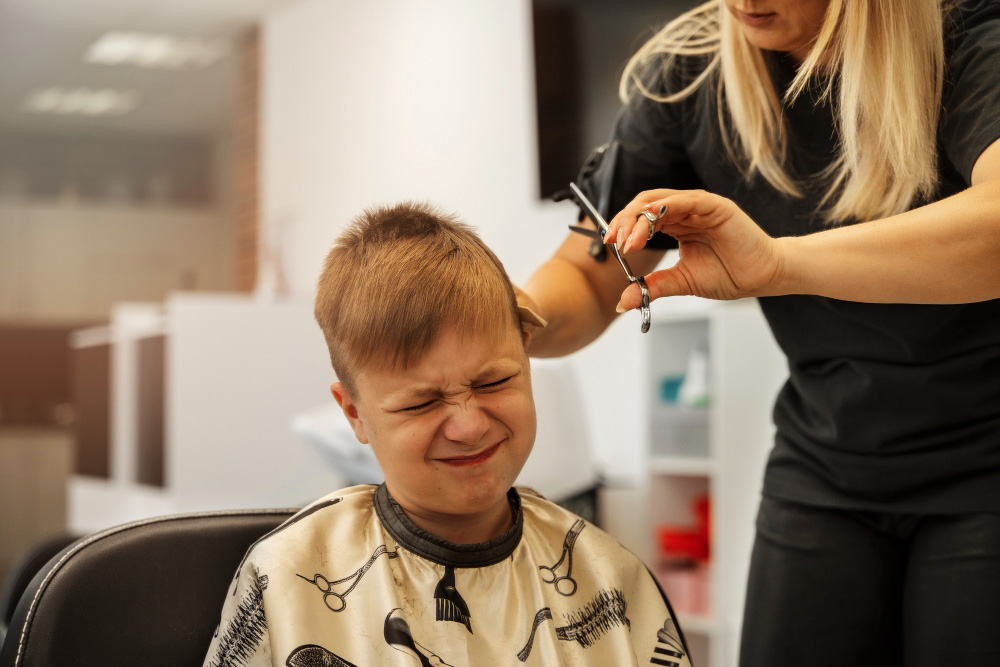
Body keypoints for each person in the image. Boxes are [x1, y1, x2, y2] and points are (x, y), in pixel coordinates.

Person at [520, 0, 1000, 665]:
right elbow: (589, 273)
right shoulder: (693, 72)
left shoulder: (967, 36)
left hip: (984, 461)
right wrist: (504, 319)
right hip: (825, 461)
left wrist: (777, 263)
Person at [202, 203, 691, 667]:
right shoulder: (286, 581)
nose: (470, 425)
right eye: (420, 403)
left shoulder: (611, 581)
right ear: (354, 413)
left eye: (494, 381)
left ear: (526, 353)